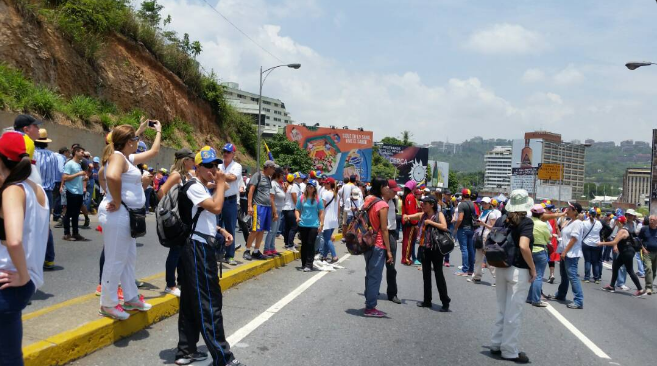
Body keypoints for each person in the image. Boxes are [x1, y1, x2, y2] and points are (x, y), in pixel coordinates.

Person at [175, 146, 244, 366]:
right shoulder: (195, 186)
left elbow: (202, 217)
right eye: (208, 166)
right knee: (209, 302)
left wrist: (220, 230)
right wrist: (223, 183)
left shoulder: (202, 188)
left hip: (196, 245)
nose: (213, 169)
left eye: (216, 165)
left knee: (189, 301)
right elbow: (215, 208)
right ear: (197, 167)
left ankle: (186, 350)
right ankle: (223, 357)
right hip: (196, 249)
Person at [98, 120, 161, 320]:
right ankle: (108, 304)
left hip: (127, 215)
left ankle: (131, 296)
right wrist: (116, 200)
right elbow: (112, 176)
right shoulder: (118, 157)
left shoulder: (124, 156)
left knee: (127, 259)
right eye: (135, 138)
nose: (138, 141)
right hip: (119, 214)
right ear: (128, 142)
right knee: (116, 260)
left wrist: (155, 131)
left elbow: (152, 152)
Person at [0, 132, 49, 366]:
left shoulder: (12, 191)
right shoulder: (36, 189)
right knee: (10, 354)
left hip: (9, 279)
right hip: (22, 283)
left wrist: (22, 274)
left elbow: (15, 240)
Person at [489, 189, 536, 363]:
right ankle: (509, 350)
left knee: (502, 308)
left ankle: (496, 343)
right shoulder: (526, 222)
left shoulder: (502, 219)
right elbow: (524, 246)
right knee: (513, 313)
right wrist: (533, 268)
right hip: (518, 270)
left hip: (500, 266)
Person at [156, 148, 197, 297]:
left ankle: (181, 280)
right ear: (185, 161)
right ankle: (170, 284)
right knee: (175, 251)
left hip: (186, 218)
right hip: (176, 219)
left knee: (183, 251)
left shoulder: (187, 175)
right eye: (192, 160)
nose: (194, 162)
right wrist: (168, 210)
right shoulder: (175, 175)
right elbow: (161, 192)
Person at [404, 195, 451, 311]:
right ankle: (427, 301)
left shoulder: (438, 215)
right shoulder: (423, 215)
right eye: (422, 203)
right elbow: (414, 216)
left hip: (436, 249)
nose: (422, 205)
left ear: (432, 205)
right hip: (424, 248)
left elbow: (444, 227)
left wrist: (430, 222)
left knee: (439, 275)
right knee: (426, 275)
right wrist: (407, 216)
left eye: (425, 203)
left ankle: (445, 302)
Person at [360, 178, 393, 317]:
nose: (388, 189)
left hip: (366, 241)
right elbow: (384, 229)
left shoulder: (368, 200)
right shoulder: (382, 205)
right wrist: (389, 251)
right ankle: (370, 307)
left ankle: (369, 301)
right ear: (381, 187)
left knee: (369, 273)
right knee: (375, 276)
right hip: (378, 243)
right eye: (386, 186)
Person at [547, 202, 584, 309]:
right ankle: (561, 294)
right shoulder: (570, 222)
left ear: (575, 211)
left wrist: (565, 252)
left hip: (571, 254)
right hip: (565, 252)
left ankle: (578, 300)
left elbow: (574, 239)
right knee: (564, 275)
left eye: (569, 208)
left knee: (572, 276)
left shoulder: (577, 223)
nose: (567, 210)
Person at [600, 214, 646, 297]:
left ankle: (640, 289)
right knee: (615, 266)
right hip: (625, 252)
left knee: (630, 270)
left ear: (619, 222)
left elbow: (614, 242)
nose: (616, 222)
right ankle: (611, 286)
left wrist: (601, 243)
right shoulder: (623, 229)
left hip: (627, 252)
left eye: (617, 220)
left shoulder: (622, 231)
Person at [33, 129, 58, 270]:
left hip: (35, 190)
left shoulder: (32, 153)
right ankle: (49, 259)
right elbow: (57, 175)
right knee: (45, 226)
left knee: (30, 225)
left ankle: (34, 259)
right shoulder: (53, 156)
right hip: (48, 192)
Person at [244, 160, 276, 261]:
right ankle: (247, 250)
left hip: (266, 207)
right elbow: (251, 191)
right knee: (255, 229)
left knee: (262, 230)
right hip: (258, 206)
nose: (274, 170)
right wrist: (249, 206)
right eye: (273, 168)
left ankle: (256, 251)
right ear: (268, 167)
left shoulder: (268, 178)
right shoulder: (258, 175)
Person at [218, 144, 242, 266]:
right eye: (224, 151)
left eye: (228, 152)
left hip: (230, 201)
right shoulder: (218, 165)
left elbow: (232, 178)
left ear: (233, 154)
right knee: (216, 226)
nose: (225, 153)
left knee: (230, 227)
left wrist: (219, 175)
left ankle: (230, 255)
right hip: (218, 198)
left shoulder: (237, 166)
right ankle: (218, 252)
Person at [295, 179, 324, 272]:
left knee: (310, 243)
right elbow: (297, 209)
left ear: (314, 188)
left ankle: (309, 264)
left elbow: (321, 212)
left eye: (311, 186)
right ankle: (304, 263)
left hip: (313, 224)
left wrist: (321, 223)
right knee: (304, 244)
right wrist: (297, 217)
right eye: (308, 186)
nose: (309, 188)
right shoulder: (301, 198)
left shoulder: (318, 199)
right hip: (303, 224)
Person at [62, 145, 89, 242]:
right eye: (81, 152)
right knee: (69, 213)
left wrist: (84, 178)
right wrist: (78, 174)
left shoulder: (79, 165)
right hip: (71, 191)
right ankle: (67, 233)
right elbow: (65, 177)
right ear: (76, 152)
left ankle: (76, 233)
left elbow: (78, 178)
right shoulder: (69, 164)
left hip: (79, 191)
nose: (83, 154)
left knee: (76, 213)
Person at [470, 197, 500, 283]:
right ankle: (476, 276)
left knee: (489, 259)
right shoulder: (483, 212)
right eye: (482, 203)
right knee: (478, 258)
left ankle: (497, 279)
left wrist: (483, 224)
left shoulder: (492, 214)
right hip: (480, 236)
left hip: (487, 237)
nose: (483, 205)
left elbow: (494, 228)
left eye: (485, 203)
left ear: (490, 204)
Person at [526, 204, 551, 307]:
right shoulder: (543, 224)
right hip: (540, 250)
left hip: (529, 250)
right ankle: (536, 300)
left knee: (533, 274)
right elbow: (548, 238)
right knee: (538, 276)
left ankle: (529, 297)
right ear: (541, 214)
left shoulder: (527, 222)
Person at [384, 179, 401, 304]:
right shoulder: (377, 201)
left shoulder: (393, 201)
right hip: (380, 234)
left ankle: (392, 293)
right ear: (386, 189)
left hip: (391, 234)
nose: (395, 193)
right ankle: (371, 290)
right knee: (374, 265)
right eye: (394, 191)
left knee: (391, 266)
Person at [264, 167, 286, 258]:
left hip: (279, 209)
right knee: (272, 230)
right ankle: (266, 249)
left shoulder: (279, 184)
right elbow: (271, 199)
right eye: (282, 175)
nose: (283, 176)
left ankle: (272, 248)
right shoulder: (273, 184)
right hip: (275, 209)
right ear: (278, 175)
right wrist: (274, 212)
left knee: (275, 230)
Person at [454, 188, 476, 276]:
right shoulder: (473, 204)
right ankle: (471, 269)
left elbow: (460, 218)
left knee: (464, 249)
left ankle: (465, 270)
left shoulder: (461, 205)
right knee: (470, 249)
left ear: (462, 196)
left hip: (463, 228)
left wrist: (455, 227)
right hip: (471, 228)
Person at [319, 178, 339, 262]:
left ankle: (334, 255)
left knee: (327, 238)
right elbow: (338, 208)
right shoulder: (336, 194)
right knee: (327, 238)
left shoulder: (325, 193)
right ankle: (324, 255)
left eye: (325, 184)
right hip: (334, 219)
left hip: (327, 218)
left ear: (329, 184)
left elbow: (322, 208)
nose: (324, 185)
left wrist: (319, 218)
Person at [581, 208, 603, 284]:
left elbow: (582, 231)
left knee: (587, 261)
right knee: (595, 262)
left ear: (588, 214)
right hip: (596, 243)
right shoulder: (599, 223)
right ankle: (596, 278)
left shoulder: (584, 223)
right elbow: (600, 230)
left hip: (586, 243)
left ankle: (587, 278)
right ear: (596, 215)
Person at [401, 180, 419, 265]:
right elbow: (412, 211)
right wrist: (415, 223)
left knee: (406, 240)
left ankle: (405, 257)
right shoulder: (411, 196)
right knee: (408, 241)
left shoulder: (406, 196)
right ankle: (406, 259)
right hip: (410, 222)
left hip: (406, 221)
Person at [639, 215, 657, 295]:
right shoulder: (644, 229)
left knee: (654, 271)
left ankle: (648, 286)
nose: (651, 221)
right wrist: (643, 249)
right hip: (647, 252)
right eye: (650, 220)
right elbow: (639, 240)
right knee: (648, 269)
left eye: (653, 220)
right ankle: (649, 287)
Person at [281, 173, 299, 252]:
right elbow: (294, 198)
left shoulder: (285, 187)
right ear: (293, 180)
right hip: (291, 208)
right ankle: (290, 245)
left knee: (287, 227)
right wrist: (298, 208)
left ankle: (287, 243)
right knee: (294, 227)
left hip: (285, 208)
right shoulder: (292, 187)